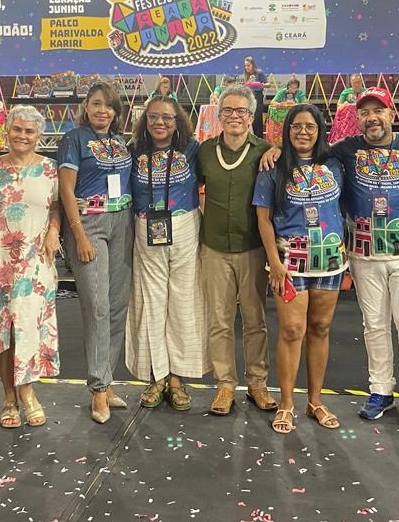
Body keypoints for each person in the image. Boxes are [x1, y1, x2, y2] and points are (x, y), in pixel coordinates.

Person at [333, 88, 399, 431]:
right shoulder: (345, 149)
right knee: (374, 325)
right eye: (364, 113)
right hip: (364, 254)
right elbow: (308, 153)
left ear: (392, 114)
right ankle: (380, 390)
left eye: (378, 110)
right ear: (357, 119)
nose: (372, 118)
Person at [0, 105, 61, 428]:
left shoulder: (49, 169)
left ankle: (28, 392)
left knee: (29, 326)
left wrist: (54, 231)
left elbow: (56, 206)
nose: (22, 136)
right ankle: (9, 398)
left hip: (35, 261)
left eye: (29, 131)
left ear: (39, 136)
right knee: (2, 330)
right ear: (7, 131)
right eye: (17, 129)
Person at [254, 103, 346, 433]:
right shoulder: (273, 166)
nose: (303, 132)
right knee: (292, 330)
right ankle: (287, 403)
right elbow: (263, 219)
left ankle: (315, 401)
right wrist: (274, 263)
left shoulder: (334, 164)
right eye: (296, 126)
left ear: (320, 130)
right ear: (287, 130)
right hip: (289, 261)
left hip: (329, 259)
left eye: (310, 126)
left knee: (320, 327)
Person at [196, 84, 277, 415]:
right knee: (219, 321)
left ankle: (257, 383)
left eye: (241, 111)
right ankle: (225, 385)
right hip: (214, 248)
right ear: (218, 115)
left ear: (251, 116)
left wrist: (279, 149)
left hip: (252, 248)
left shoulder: (266, 151)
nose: (234, 116)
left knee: (255, 320)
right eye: (227, 110)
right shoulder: (204, 151)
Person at [58, 82, 134, 424]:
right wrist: (78, 234)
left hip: (123, 222)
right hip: (89, 223)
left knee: (117, 305)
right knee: (97, 305)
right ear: (86, 106)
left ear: (117, 112)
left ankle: (107, 378)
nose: (103, 110)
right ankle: (98, 388)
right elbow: (66, 189)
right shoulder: (74, 139)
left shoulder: (120, 142)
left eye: (109, 105)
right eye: (97, 104)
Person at [126, 96, 207, 410]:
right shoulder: (133, 151)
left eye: (167, 118)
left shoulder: (193, 149)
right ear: (145, 120)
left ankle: (176, 378)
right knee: (151, 302)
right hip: (146, 228)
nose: (159, 123)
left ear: (178, 122)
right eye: (153, 117)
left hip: (184, 226)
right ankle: (156, 376)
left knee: (184, 302)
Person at [243, 56, 271, 136]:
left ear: (253, 65)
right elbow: (244, 86)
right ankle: (249, 136)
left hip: (257, 96)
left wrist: (261, 84)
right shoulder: (246, 74)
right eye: (245, 65)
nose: (246, 67)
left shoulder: (259, 72)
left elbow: (268, 84)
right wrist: (249, 81)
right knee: (249, 117)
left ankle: (258, 137)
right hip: (248, 96)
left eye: (248, 65)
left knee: (257, 118)